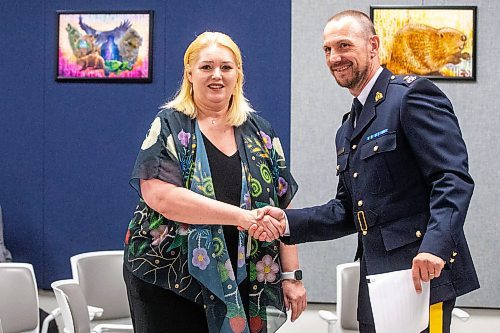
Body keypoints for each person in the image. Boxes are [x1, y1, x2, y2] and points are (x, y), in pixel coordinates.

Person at [255, 10, 479, 333]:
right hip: (374, 280)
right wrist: (286, 222)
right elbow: (346, 210)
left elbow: (452, 178)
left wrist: (435, 245)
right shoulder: (347, 129)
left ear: (373, 45)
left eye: (344, 45)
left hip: (423, 276)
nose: (335, 57)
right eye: (328, 50)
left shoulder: (411, 97)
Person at [122, 31, 306, 333]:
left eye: (226, 67)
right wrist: (241, 218)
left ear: (238, 75)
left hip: (246, 275)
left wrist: (291, 276)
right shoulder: (170, 124)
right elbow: (162, 197)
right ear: (190, 74)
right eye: (206, 67)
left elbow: (284, 206)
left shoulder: (261, 132)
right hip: (168, 277)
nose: (216, 75)